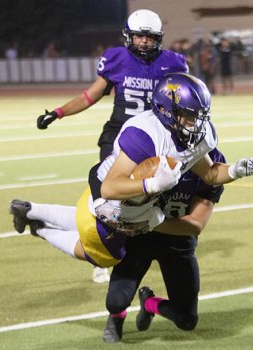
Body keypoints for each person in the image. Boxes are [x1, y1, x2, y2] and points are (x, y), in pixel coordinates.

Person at [9, 72, 253, 271]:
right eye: (189, 115)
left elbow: (209, 175)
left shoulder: (198, 136)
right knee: (105, 257)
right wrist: (152, 185)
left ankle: (29, 209)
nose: (196, 122)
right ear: (167, 110)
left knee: (88, 221)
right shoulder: (145, 134)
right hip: (112, 204)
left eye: (200, 115)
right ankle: (40, 228)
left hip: (136, 204)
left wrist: (235, 170)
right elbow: (109, 187)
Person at [36, 10, 189, 282]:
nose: (143, 42)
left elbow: (184, 100)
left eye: (149, 37)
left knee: (151, 197)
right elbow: (90, 96)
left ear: (159, 39)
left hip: (155, 139)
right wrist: (58, 112)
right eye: (139, 36)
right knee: (110, 200)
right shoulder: (117, 58)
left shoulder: (173, 63)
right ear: (129, 36)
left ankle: (141, 245)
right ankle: (99, 253)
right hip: (120, 135)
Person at [102, 148, 225, 343]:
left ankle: (149, 303)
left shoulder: (214, 163)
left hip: (177, 238)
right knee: (116, 302)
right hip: (139, 237)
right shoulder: (152, 144)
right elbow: (113, 185)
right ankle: (117, 316)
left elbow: (197, 224)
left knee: (187, 319)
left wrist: (151, 222)